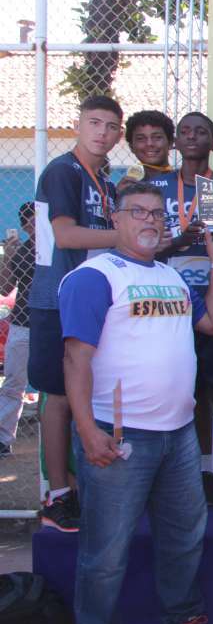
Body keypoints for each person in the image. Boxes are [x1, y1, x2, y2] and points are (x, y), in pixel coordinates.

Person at [60, 182, 213, 624]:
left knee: (182, 537)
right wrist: (87, 430)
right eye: (138, 212)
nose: (151, 221)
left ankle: (181, 621)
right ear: (115, 219)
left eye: (158, 214)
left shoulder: (172, 279)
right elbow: (75, 358)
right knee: (106, 551)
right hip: (118, 434)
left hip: (177, 435)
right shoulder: (95, 277)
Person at [148, 112, 213, 516]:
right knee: (184, 397)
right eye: (186, 132)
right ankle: (197, 481)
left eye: (202, 132)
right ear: (175, 141)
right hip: (166, 309)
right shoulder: (153, 186)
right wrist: (180, 240)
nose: (193, 138)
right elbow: (142, 249)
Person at [30, 96, 121, 533]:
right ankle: (57, 495)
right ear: (78, 125)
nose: (101, 132)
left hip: (91, 300)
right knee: (59, 397)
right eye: (93, 123)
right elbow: (64, 236)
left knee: (85, 392)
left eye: (109, 126)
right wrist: (123, 235)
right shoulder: (62, 172)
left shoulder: (106, 180)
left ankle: (79, 489)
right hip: (55, 299)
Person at [0, 202, 35, 457]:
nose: (34, 226)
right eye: (29, 222)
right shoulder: (22, 250)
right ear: (24, 226)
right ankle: (3, 438)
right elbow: (4, 288)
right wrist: (8, 258)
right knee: (14, 381)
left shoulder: (58, 246)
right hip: (23, 322)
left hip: (53, 322)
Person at [119, 110, 175, 186]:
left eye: (157, 137)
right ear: (131, 147)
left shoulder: (185, 182)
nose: (149, 144)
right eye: (141, 138)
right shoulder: (127, 187)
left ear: (170, 142)